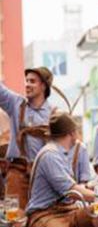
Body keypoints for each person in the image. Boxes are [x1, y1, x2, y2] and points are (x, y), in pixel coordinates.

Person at [0, 67, 55, 210]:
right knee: (13, 219)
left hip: (44, 176)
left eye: (32, 81)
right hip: (16, 174)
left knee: (42, 221)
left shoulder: (55, 114)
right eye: (26, 81)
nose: (27, 84)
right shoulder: (16, 104)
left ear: (44, 86)